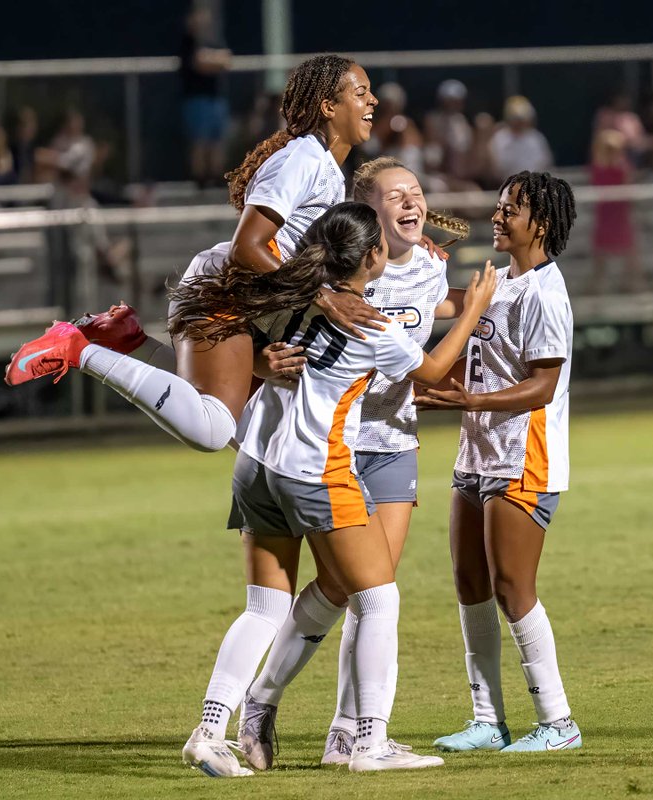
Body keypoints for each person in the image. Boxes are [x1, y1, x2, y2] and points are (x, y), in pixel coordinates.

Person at [162, 202, 497, 775]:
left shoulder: (290, 293)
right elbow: (435, 370)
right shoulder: (371, 322)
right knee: (378, 595)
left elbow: (243, 342)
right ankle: (369, 743)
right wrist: (474, 309)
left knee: (265, 606)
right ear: (372, 256)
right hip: (315, 467)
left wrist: (266, 364)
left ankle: (209, 730)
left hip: (256, 461)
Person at [6, 55, 387, 453]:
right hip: (225, 289)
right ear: (328, 107)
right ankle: (77, 348)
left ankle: (128, 339)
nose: (373, 101)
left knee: (253, 440)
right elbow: (247, 247)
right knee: (213, 430)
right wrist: (326, 299)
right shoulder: (302, 158)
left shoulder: (324, 166)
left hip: (252, 302)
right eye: (361, 93)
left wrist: (408, 246)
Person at [229, 157, 472, 770]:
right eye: (396, 195)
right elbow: (422, 361)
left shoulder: (427, 269)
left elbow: (439, 311)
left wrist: (485, 300)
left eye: (417, 192)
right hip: (327, 448)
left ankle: (342, 731)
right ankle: (325, 721)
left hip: (387, 442)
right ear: (367, 214)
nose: (412, 203)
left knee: (358, 587)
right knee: (365, 591)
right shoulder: (336, 281)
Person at [414, 171, 583, 754]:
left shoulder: (545, 291)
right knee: (470, 584)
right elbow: (450, 321)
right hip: (477, 450)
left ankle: (558, 723)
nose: (496, 215)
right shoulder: (500, 281)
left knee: (514, 587)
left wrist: (472, 400)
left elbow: (541, 387)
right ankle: (488, 719)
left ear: (540, 221)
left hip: (524, 455)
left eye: (510, 208)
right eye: (498, 205)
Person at [180, 5, 232, 189]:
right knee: (200, 140)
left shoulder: (214, 40)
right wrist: (212, 60)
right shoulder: (188, 41)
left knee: (217, 140)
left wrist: (210, 59)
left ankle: (216, 177)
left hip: (215, 98)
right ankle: (199, 179)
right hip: (196, 98)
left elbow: (226, 59)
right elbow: (199, 63)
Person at [589, 129, 644, 293]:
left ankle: (633, 283)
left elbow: (628, 187)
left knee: (630, 250)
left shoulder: (623, 168)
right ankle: (597, 285)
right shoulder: (598, 168)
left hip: (620, 214)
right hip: (605, 215)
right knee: (600, 252)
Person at [489, 96, 553, 181]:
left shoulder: (537, 138)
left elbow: (546, 164)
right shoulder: (499, 139)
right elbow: (495, 171)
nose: (519, 122)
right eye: (516, 118)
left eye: (522, 118)